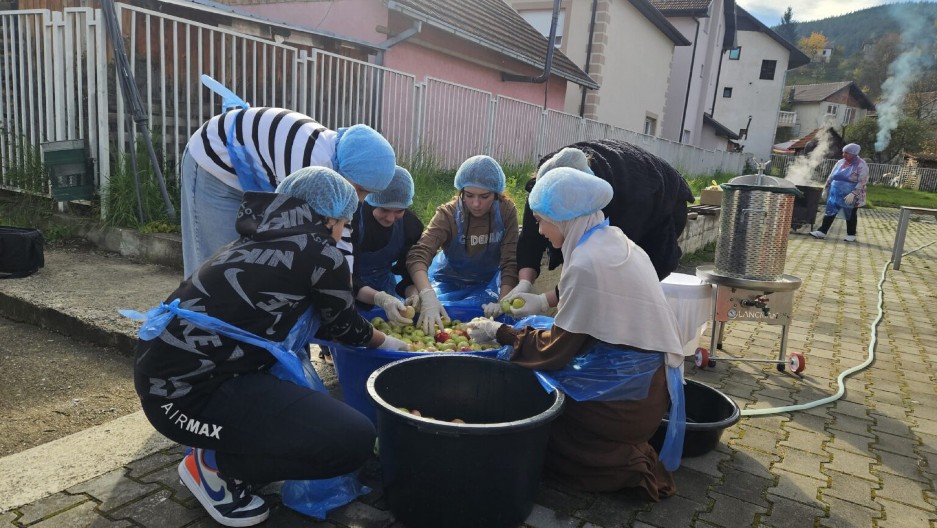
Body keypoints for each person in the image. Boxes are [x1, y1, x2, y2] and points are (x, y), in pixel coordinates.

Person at [131, 167, 409, 527]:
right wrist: (391, 342)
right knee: (351, 440)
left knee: (306, 422)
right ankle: (216, 470)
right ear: (329, 219)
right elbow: (345, 328)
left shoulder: (257, 240)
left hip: (165, 384)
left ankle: (223, 450)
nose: (342, 233)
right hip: (188, 399)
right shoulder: (321, 252)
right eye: (343, 223)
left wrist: (378, 301)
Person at [464, 166, 686, 501]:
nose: (539, 230)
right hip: (648, 390)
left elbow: (556, 351)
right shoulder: (611, 239)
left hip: (626, 404)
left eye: (541, 220)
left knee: (536, 407)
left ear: (564, 217)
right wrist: (538, 304)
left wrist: (501, 333)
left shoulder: (586, 262)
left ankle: (625, 467)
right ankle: (617, 450)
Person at [181, 105, 396, 277]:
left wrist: (344, 283)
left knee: (242, 264)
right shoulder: (310, 162)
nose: (358, 200)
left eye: (367, 195)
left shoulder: (339, 162)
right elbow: (298, 232)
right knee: (215, 262)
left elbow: (341, 230)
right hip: (214, 161)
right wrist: (339, 289)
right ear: (348, 167)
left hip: (253, 169)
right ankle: (197, 323)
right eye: (359, 189)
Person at [498, 140, 694, 318]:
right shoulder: (546, 180)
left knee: (621, 294)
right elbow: (531, 238)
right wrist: (525, 282)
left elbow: (602, 273)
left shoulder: (618, 210)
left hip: (659, 195)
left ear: (578, 200)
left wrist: (543, 301)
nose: (541, 229)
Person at [406, 155, 519, 333]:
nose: (476, 204)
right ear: (461, 192)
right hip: (448, 279)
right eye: (469, 195)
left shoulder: (506, 211)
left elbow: (510, 260)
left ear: (496, 194)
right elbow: (419, 254)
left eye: (484, 196)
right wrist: (427, 295)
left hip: (489, 281)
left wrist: (503, 301)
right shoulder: (448, 214)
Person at [351, 166, 424, 323]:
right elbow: (341, 275)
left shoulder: (411, 226)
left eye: (399, 211)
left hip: (384, 283)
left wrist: (414, 294)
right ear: (371, 200)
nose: (390, 218)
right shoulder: (352, 220)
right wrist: (379, 298)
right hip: (348, 287)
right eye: (384, 210)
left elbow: (407, 273)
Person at [810, 143, 869, 242]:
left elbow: (863, 180)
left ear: (853, 154)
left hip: (850, 193)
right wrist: (826, 188)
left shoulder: (861, 164)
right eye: (843, 152)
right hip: (835, 192)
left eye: (847, 153)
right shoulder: (840, 162)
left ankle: (851, 234)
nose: (844, 155)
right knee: (830, 211)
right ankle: (822, 231)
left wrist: (854, 193)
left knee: (850, 213)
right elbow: (831, 175)